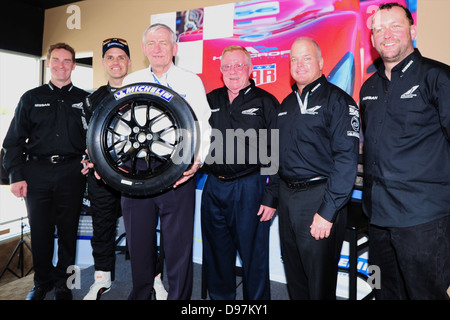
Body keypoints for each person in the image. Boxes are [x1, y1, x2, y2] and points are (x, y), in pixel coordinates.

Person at [360, 3, 450, 300]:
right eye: (378, 29)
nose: (387, 34)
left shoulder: (439, 78)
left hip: (422, 221)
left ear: (412, 30)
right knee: (381, 291)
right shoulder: (368, 88)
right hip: (377, 220)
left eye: (395, 26)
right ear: (371, 38)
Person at [118, 23, 211, 300]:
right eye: (151, 43)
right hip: (137, 170)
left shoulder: (190, 81)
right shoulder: (131, 80)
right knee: (138, 241)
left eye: (163, 42)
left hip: (178, 169)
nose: (157, 48)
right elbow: (121, 126)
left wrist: (197, 162)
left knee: (178, 245)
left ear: (175, 48)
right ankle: (142, 294)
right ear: (144, 48)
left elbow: (204, 126)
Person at [2, 43, 89, 300]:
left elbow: (94, 138)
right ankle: (41, 282)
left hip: (72, 173)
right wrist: (15, 176)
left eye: (67, 61)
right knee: (39, 231)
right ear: (49, 63)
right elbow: (13, 141)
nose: (61, 65)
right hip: (36, 172)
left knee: (68, 231)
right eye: (57, 60)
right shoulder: (30, 98)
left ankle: (65, 284)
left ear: (74, 65)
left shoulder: (85, 100)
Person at [276, 37, 359, 299]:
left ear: (321, 62)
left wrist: (328, 211)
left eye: (306, 58)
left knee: (319, 285)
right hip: (287, 199)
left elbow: (347, 160)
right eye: (294, 59)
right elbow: (277, 157)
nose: (299, 65)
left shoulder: (339, 101)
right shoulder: (286, 105)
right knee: (296, 278)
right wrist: (271, 198)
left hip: (319, 199)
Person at [200, 46, 279, 300]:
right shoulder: (209, 101)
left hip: (250, 188)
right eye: (227, 66)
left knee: (253, 255)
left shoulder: (265, 102)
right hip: (213, 187)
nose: (232, 71)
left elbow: (277, 152)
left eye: (238, 65)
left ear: (250, 68)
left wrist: (271, 195)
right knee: (216, 253)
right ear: (221, 70)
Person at [81, 38, 131, 300]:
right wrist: (85, 159)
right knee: (102, 227)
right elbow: (85, 138)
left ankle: (153, 277)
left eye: (120, 57)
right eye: (110, 57)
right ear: (103, 63)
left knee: (142, 229)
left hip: (137, 175)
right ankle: (102, 278)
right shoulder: (92, 99)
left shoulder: (143, 89)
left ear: (129, 62)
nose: (115, 62)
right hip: (101, 176)